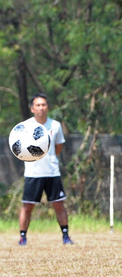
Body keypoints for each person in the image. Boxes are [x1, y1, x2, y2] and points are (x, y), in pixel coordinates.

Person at [18, 93, 73, 246]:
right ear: (32, 108)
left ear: (47, 107)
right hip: (33, 173)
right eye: (38, 105)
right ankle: (23, 237)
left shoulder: (55, 125)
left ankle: (66, 236)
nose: (41, 108)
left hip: (52, 172)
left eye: (44, 105)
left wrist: (49, 159)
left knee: (59, 205)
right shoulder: (26, 127)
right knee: (27, 206)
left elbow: (58, 147)